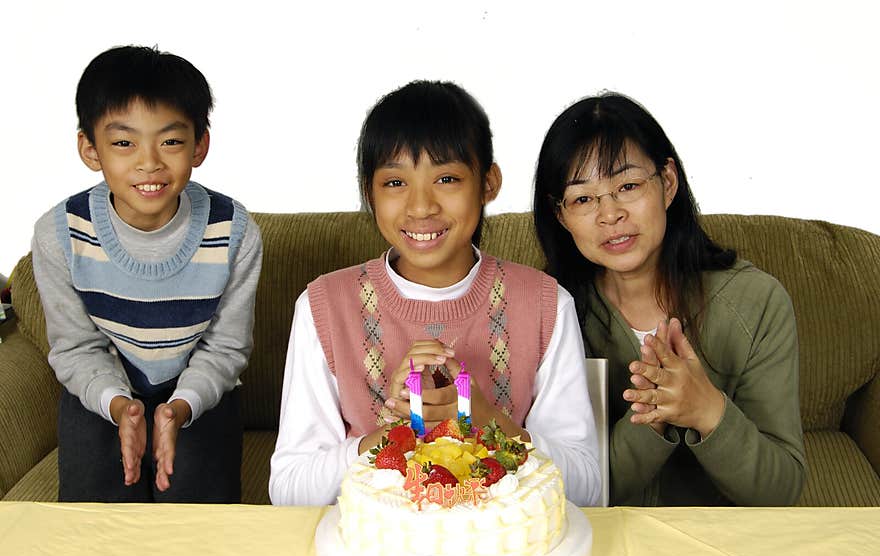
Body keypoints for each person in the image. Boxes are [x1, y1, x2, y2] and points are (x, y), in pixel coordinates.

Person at [269, 80, 601, 507]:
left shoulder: (545, 304)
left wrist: (489, 423)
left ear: (489, 183)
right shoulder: (323, 307)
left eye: (446, 178)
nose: (421, 205)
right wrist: (391, 435)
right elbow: (289, 492)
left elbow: (589, 489)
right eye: (394, 182)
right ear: (368, 191)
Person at [533, 92, 806, 506]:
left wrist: (708, 410)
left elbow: (780, 491)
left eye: (627, 186)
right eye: (583, 198)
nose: (610, 215)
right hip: (599, 554)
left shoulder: (757, 302)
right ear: (560, 215)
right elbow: (565, 492)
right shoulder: (549, 311)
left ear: (668, 183)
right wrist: (652, 415)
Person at [31, 45, 263, 502]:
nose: (149, 162)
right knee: (93, 516)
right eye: (123, 143)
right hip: (103, 390)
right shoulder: (60, 234)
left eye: (171, 141)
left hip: (198, 392)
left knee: (197, 509)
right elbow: (77, 348)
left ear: (200, 145)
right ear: (89, 148)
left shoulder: (234, 232)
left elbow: (226, 346)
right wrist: (121, 407)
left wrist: (180, 407)